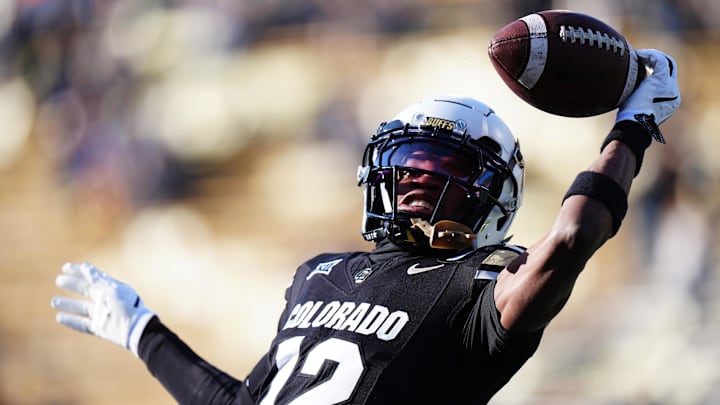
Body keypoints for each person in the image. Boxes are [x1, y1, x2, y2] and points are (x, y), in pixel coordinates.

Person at [51, 48, 680, 404]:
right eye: (406, 163)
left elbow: (571, 237)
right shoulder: (317, 276)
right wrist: (141, 331)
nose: (414, 179)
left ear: (491, 194)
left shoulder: (482, 292)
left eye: (440, 169)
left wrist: (632, 128)